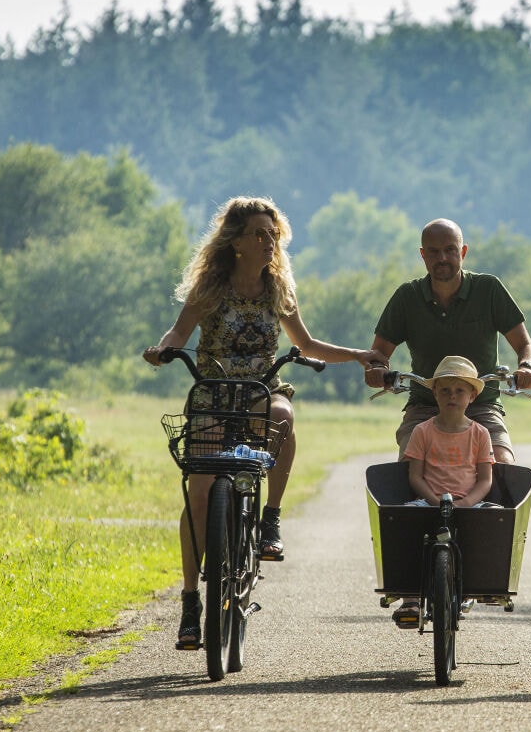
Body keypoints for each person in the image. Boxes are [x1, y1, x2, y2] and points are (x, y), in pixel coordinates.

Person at [143, 196, 383, 649]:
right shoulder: (210, 289)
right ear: (236, 242)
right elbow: (179, 332)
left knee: (283, 415)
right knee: (198, 495)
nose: (268, 241)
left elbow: (307, 345)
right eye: (259, 233)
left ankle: (270, 517)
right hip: (212, 394)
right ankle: (192, 603)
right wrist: (163, 349)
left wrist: (356, 356)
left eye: (274, 234)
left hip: (258, 393)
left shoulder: (278, 291)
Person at [364, 218, 531, 464]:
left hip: (481, 406)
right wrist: (377, 371)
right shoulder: (408, 297)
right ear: (423, 255)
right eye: (434, 252)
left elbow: (525, 346)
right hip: (425, 407)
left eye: (450, 250)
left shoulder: (488, 289)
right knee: (405, 470)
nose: (442, 258)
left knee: (503, 464)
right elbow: (378, 355)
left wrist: (527, 367)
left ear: (463, 252)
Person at [393, 355, 497, 628]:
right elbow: (415, 476)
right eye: (445, 390)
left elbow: (485, 480)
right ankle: (407, 590)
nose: (452, 396)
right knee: (403, 518)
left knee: (496, 519)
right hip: (429, 500)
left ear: (472, 396)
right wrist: (434, 499)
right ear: (435, 394)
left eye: (459, 390)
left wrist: (467, 502)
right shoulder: (422, 431)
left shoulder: (480, 433)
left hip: (468, 503)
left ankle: (486, 579)